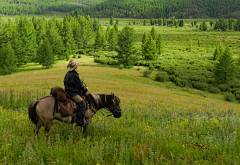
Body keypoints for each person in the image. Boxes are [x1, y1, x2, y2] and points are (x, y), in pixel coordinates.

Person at [64, 60, 88, 127]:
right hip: (72, 93)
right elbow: (79, 86)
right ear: (75, 67)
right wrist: (85, 89)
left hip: (67, 91)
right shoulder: (74, 75)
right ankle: (80, 120)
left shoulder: (67, 73)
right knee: (82, 103)